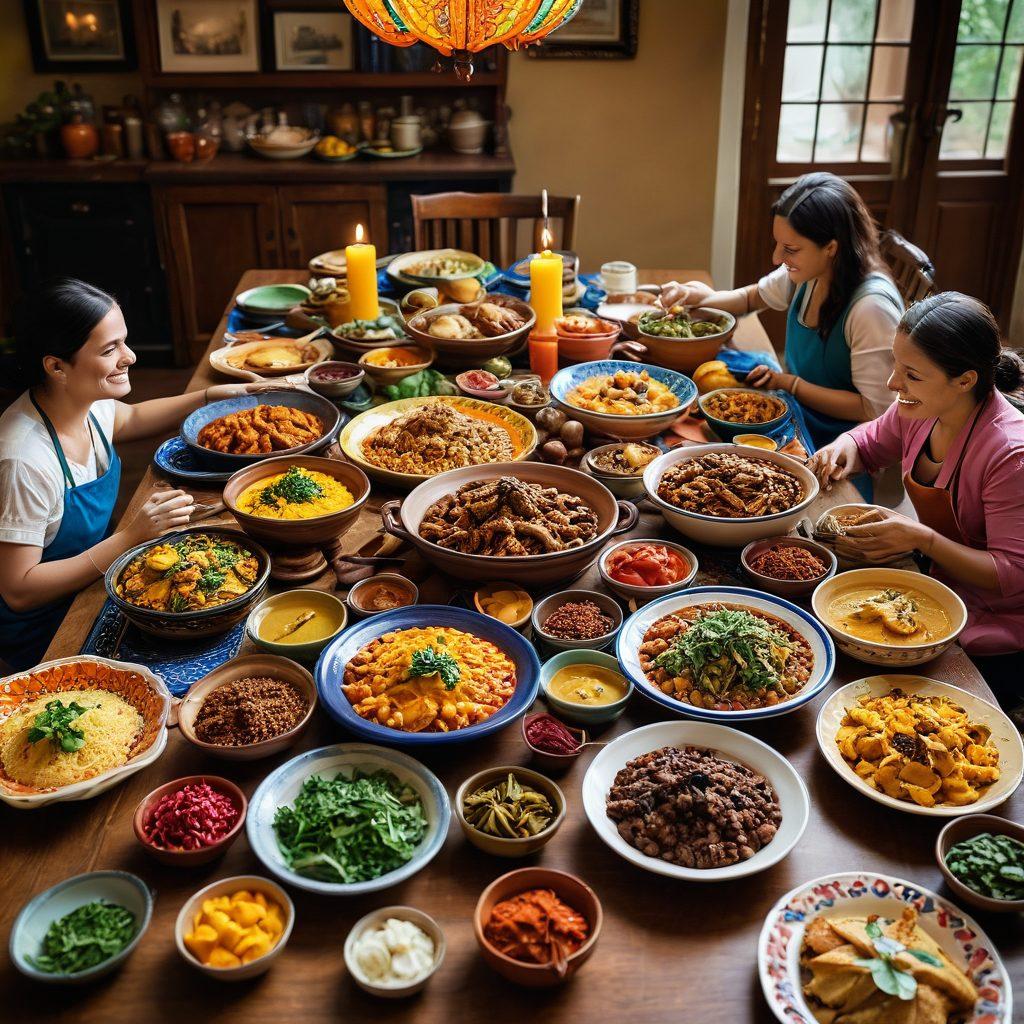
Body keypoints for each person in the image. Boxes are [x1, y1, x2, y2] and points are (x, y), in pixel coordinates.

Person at [0, 278, 268, 670]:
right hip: (50, 633)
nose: (130, 357)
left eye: (124, 342)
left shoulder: (82, 400)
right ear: (57, 366)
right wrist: (130, 537)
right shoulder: (23, 460)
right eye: (111, 350)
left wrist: (208, 396)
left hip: (97, 583)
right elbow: (19, 590)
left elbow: (129, 419)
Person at [808, 292, 1024, 709]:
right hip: (935, 583)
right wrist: (841, 447)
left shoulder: (1010, 454)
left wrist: (922, 539)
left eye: (911, 373)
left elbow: (1012, 573)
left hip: (996, 624)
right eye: (895, 364)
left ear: (965, 379)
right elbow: (870, 441)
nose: (893, 384)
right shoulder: (925, 407)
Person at [661, 172, 903, 465]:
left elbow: (874, 409)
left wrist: (790, 384)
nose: (777, 257)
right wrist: (698, 298)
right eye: (778, 244)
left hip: (840, 443)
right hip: (798, 405)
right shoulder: (810, 271)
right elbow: (751, 298)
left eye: (790, 249)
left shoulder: (870, 309)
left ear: (831, 247)